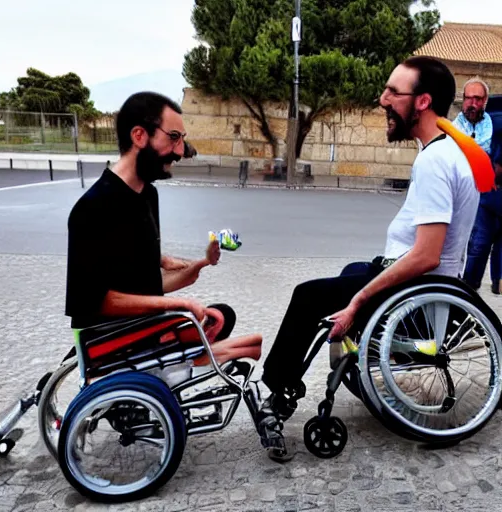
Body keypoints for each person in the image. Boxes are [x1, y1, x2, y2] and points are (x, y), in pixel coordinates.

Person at [258, 56, 489, 459]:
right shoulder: (447, 151)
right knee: (351, 272)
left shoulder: (435, 162)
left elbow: (426, 255)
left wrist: (358, 301)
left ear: (422, 102)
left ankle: (278, 396)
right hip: (423, 287)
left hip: (417, 294)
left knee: (308, 296)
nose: (382, 99)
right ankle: (343, 359)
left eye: (392, 92)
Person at [65, 92, 261, 366]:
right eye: (173, 137)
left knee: (223, 316)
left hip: (139, 324)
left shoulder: (147, 195)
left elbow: (149, 287)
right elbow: (94, 302)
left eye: (181, 139)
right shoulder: (93, 208)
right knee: (245, 342)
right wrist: (177, 305)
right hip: (110, 338)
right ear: (139, 136)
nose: (181, 150)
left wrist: (204, 262)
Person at [452, 77, 501, 293]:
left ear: (485, 101)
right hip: (469, 197)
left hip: (492, 194)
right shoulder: (452, 129)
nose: (472, 104)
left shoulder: (496, 124)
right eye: (468, 98)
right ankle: (466, 294)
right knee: (475, 246)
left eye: (478, 99)